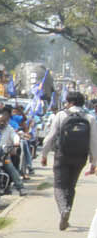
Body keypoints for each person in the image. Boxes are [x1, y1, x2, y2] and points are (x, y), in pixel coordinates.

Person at [40, 91, 96, 230]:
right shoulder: (90, 117)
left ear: (70, 102)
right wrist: (93, 162)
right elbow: (94, 141)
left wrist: (44, 154)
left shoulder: (61, 115)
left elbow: (50, 137)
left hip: (62, 155)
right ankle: (67, 212)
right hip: (80, 157)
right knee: (71, 186)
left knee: (59, 186)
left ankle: (64, 210)